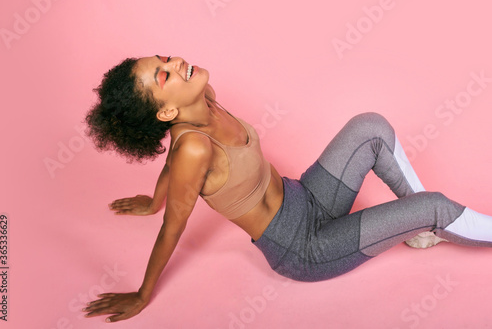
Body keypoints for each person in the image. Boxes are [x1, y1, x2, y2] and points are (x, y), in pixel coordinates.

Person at [82, 55, 492, 323]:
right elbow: (175, 224)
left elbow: (169, 166)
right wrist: (141, 293)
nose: (175, 62)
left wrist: (152, 200)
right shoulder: (193, 147)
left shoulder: (205, 97)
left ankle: (421, 231)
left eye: (164, 57)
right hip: (305, 248)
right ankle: (430, 220)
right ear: (168, 111)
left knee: (371, 126)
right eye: (164, 74)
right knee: (436, 206)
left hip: (308, 196)